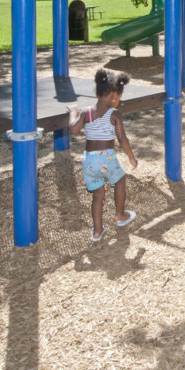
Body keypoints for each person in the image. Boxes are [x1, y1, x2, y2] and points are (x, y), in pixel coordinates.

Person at [68, 68, 139, 242]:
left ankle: (97, 231)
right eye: (119, 97)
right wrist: (131, 157)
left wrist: (73, 113)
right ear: (114, 96)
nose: (118, 101)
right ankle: (120, 214)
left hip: (89, 161)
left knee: (98, 195)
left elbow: (73, 130)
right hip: (105, 158)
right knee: (120, 180)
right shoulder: (114, 114)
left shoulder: (86, 112)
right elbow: (122, 138)